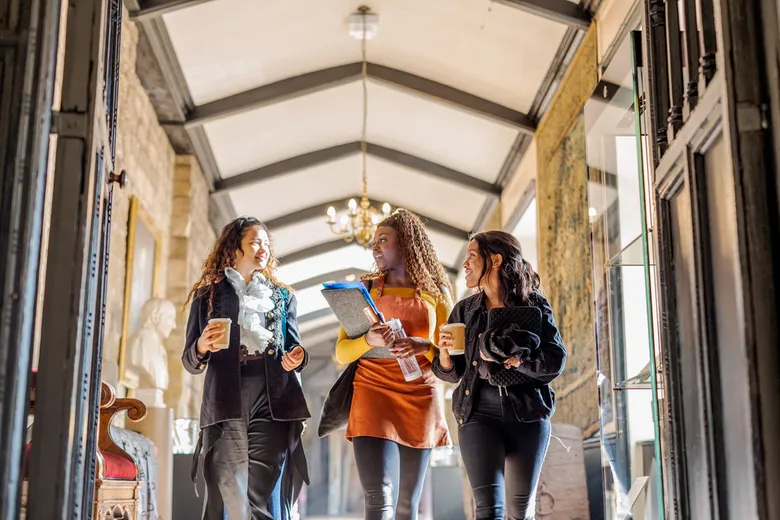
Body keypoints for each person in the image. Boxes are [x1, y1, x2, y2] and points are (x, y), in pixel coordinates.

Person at [182, 217, 310, 520]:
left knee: (260, 490)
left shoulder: (282, 297)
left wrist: (297, 356)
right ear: (234, 248)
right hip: (226, 397)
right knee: (229, 488)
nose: (262, 248)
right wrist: (201, 346)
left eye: (266, 243)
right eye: (255, 242)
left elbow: (295, 346)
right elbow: (189, 360)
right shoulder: (208, 296)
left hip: (273, 395)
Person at [432, 230, 566, 520]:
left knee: (521, 511)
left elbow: (554, 362)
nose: (465, 263)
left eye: (471, 256)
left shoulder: (535, 305)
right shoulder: (465, 310)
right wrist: (443, 355)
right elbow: (451, 373)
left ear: (494, 260)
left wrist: (515, 359)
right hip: (478, 414)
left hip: (529, 415)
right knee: (488, 510)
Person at [334, 209, 453, 520]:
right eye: (374, 242)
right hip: (371, 392)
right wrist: (369, 341)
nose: (375, 247)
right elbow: (342, 352)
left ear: (407, 244)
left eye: (383, 240)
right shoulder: (366, 290)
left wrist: (425, 346)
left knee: (406, 507)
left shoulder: (436, 294)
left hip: (420, 396)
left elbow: (454, 355)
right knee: (378, 500)